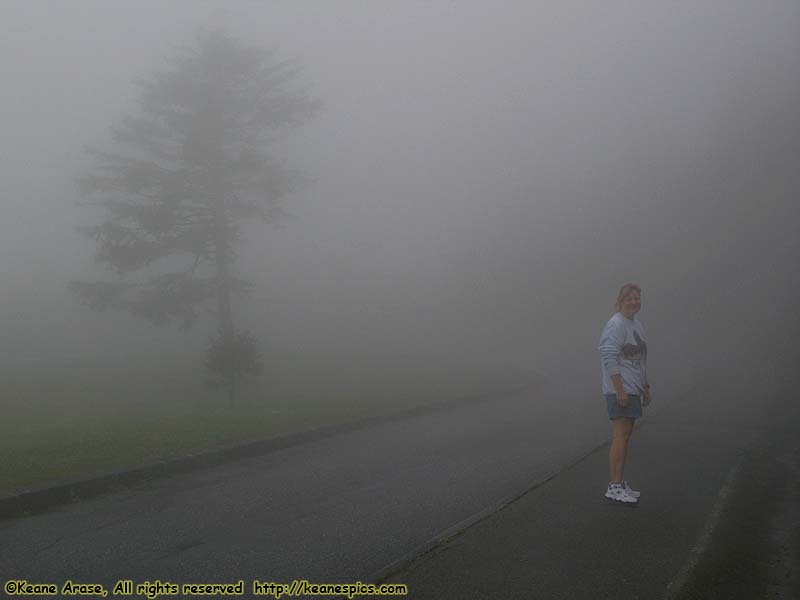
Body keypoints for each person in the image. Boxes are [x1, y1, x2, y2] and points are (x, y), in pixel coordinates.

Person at [597, 283, 651, 505]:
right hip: (620, 390)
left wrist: (645, 386)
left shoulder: (636, 324)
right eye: (629, 298)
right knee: (620, 435)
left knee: (626, 436)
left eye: (637, 298)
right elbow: (608, 355)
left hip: (632, 388)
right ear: (620, 301)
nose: (633, 302)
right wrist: (619, 390)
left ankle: (619, 482)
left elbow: (640, 360)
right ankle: (614, 486)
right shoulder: (616, 324)